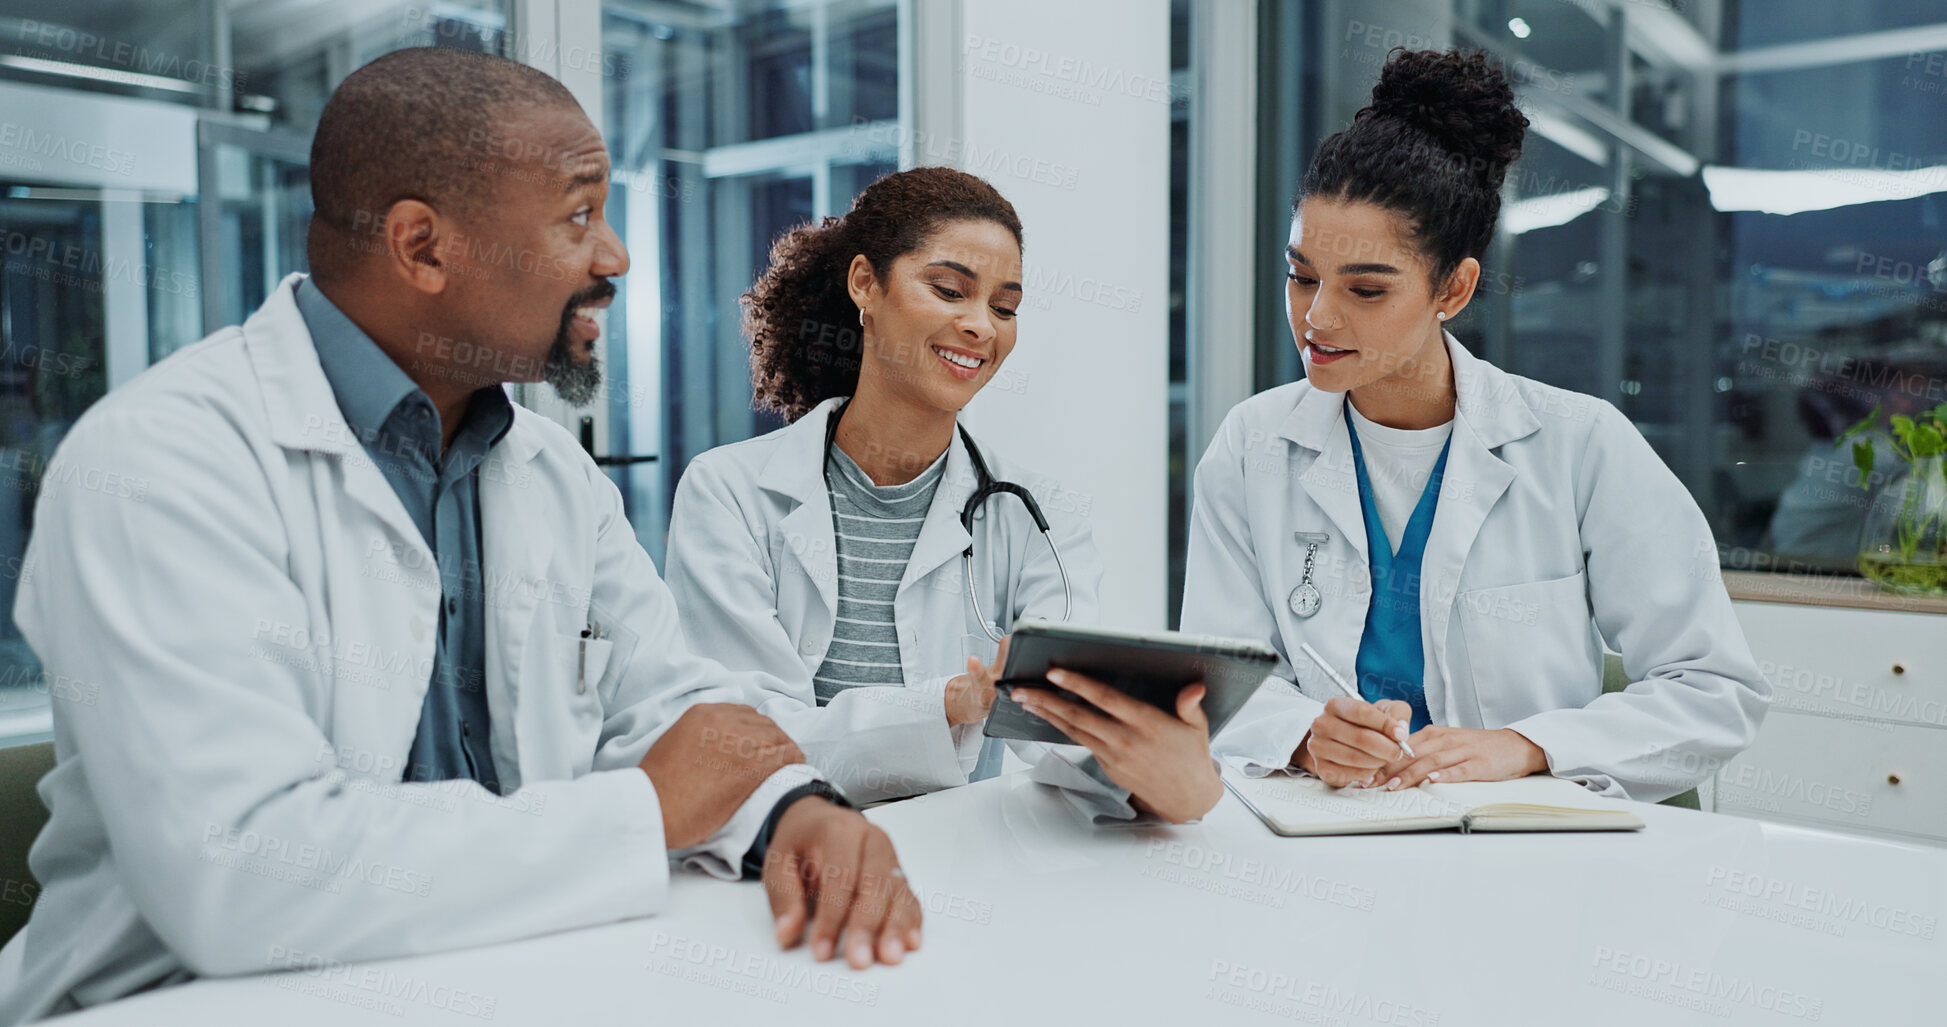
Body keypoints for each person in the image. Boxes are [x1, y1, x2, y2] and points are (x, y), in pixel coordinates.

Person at [0, 48, 917, 1023]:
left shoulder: (548, 467)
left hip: (501, 975)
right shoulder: (161, 463)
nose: (615, 258)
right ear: (423, 248)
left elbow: (673, 706)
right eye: (578, 215)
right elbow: (241, 876)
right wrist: (642, 811)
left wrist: (788, 809)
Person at [1186, 49, 1770, 799]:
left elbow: (1714, 687)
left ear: (1453, 288)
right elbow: (1214, 679)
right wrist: (1301, 735)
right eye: (1302, 276)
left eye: (1365, 289)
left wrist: (1526, 745)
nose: (1317, 317)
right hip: (1322, 840)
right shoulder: (1251, 444)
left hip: (1516, 848)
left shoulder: (1578, 445)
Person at [665, 168, 1217, 823]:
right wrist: (948, 705)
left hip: (961, 871)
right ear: (865, 283)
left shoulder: (1034, 515)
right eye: (949, 289)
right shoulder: (730, 494)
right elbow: (746, 740)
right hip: (776, 860)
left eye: (1004, 306)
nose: (981, 326)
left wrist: (1157, 774)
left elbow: (1057, 734)